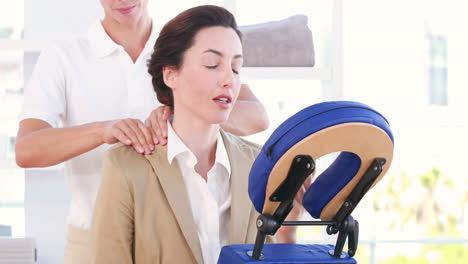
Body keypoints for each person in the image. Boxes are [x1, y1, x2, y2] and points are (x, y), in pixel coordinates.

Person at [15, 0, 269, 263]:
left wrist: (180, 110)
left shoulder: (182, 44)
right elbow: (27, 149)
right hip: (92, 236)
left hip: (175, 234)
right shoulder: (65, 56)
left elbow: (256, 116)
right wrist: (103, 130)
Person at [89, 5, 306, 264]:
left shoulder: (256, 164)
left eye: (236, 68)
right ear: (171, 74)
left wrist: (288, 233)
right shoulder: (127, 165)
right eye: (212, 64)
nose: (229, 79)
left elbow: (265, 255)